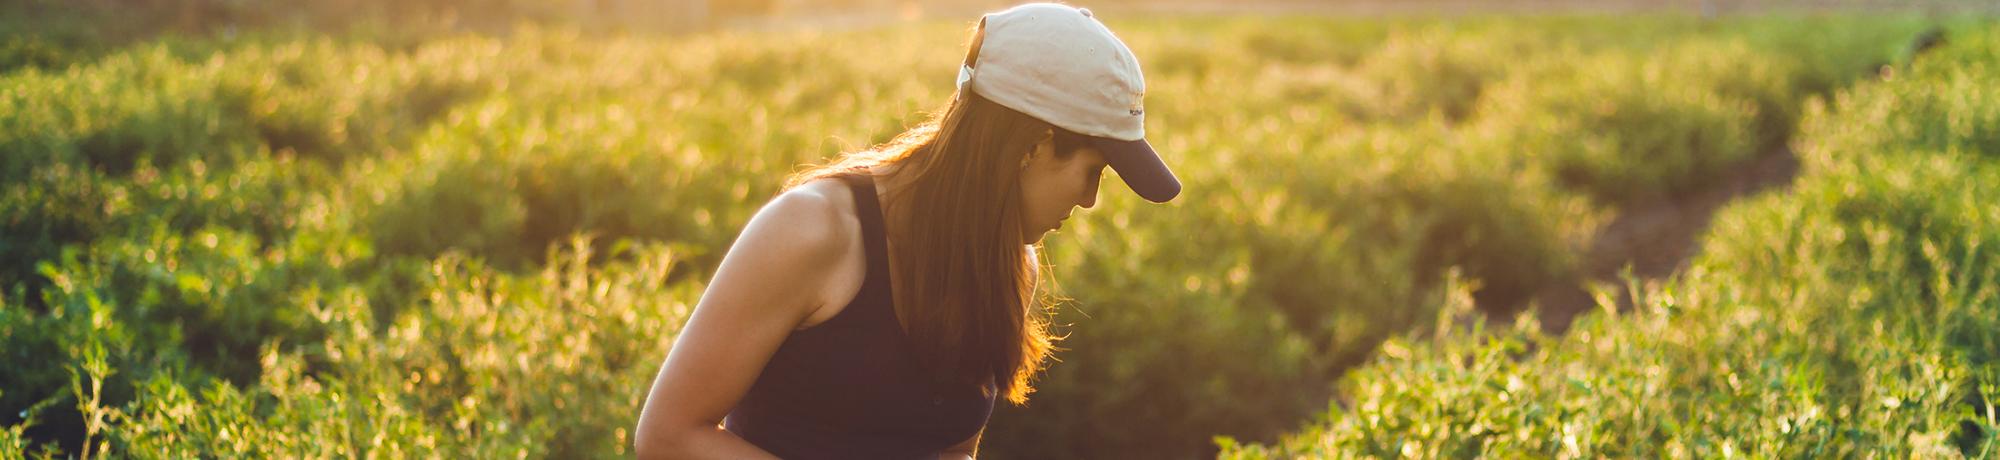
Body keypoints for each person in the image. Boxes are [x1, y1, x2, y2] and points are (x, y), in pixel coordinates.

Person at [632, 3, 1179, 459]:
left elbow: (952, 452)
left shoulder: (1010, 264)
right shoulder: (815, 230)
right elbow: (669, 435)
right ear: (1033, 145)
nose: (1089, 200)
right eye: (1093, 172)